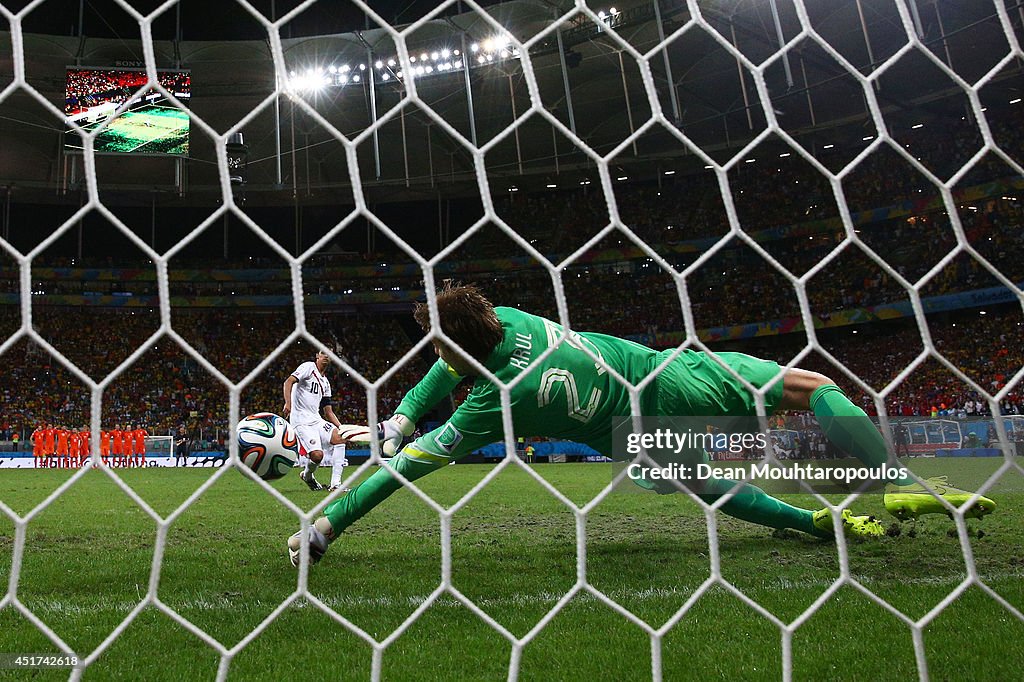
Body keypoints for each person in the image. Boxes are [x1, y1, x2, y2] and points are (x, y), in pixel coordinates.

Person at [289, 283, 997, 566]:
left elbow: (410, 467)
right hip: (667, 377)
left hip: (643, 432)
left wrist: (326, 526)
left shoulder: (489, 401)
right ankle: (881, 484)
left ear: (459, 347)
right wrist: (404, 416)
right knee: (812, 390)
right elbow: (455, 360)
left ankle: (828, 513)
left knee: (702, 479)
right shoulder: (514, 325)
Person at [282, 349, 345, 492]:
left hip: (317, 420)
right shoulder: (308, 367)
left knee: (341, 438)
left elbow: (328, 412)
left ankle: (336, 485)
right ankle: (307, 475)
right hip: (301, 421)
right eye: (323, 353)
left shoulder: (326, 383)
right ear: (317, 355)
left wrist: (343, 428)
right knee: (317, 456)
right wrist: (288, 403)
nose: (326, 357)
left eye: (329, 354)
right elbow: (288, 382)